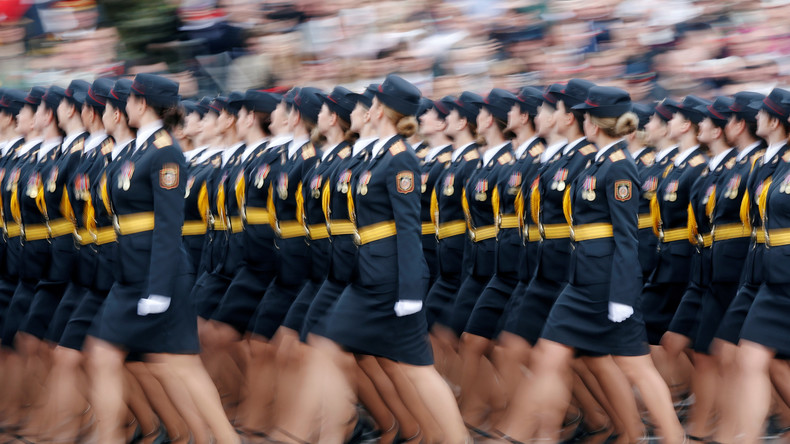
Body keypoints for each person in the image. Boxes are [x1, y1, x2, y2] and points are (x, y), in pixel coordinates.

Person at [490, 86, 684, 444]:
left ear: (594, 124)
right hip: (582, 279)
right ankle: (531, 436)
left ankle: (673, 437)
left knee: (635, 365)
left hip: (604, 282)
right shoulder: (599, 162)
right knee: (549, 356)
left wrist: (624, 296)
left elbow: (628, 237)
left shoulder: (619, 167)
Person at [89, 73, 239, 444]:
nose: (124, 106)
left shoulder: (165, 152)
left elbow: (169, 223)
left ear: (140, 104)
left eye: (129, 100)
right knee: (105, 355)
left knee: (181, 365)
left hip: (159, 274)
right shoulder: (137, 149)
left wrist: (158, 289)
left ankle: (225, 439)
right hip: (131, 273)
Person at [324, 74, 470, 444]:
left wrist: (409, 291)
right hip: (369, 272)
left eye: (372, 103)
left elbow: (408, 228)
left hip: (390, 277)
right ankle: (417, 432)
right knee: (378, 356)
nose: (366, 108)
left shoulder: (400, 159)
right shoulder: (377, 155)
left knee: (417, 366)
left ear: (381, 110)